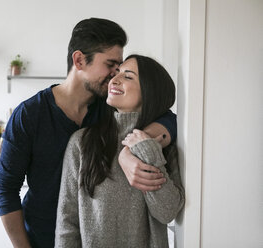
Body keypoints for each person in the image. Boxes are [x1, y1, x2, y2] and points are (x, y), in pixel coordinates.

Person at [0, 18, 177, 248]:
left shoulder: (110, 106)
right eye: (111, 65)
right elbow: (6, 190)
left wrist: (130, 149)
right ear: (79, 60)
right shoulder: (29, 115)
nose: (115, 75)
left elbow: (168, 117)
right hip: (42, 237)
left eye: (120, 68)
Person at [55, 55, 185, 247]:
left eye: (128, 76)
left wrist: (145, 149)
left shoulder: (165, 146)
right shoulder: (82, 142)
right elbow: (67, 220)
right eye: (116, 74)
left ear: (150, 91)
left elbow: (167, 212)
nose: (114, 80)